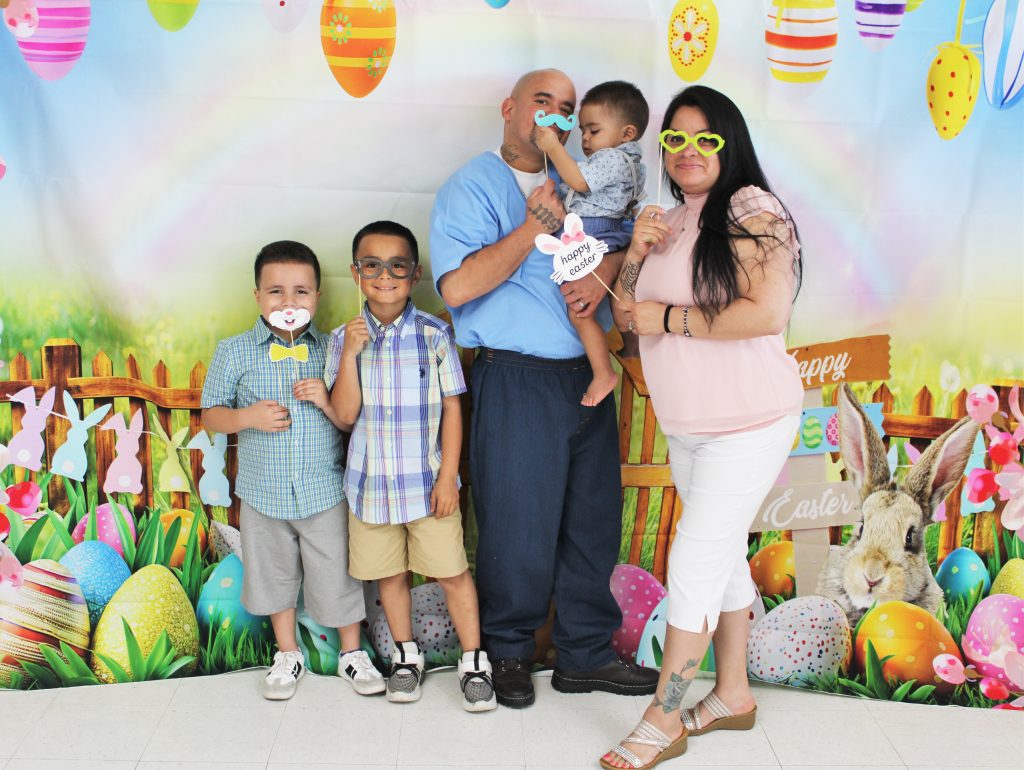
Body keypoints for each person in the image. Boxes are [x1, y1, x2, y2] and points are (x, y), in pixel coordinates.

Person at [429, 68, 659, 708]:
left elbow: (613, 242)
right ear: (509, 109)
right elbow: (456, 288)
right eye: (542, 103)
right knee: (516, 522)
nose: (556, 117)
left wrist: (608, 267)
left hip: (587, 372)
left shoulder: (585, 174)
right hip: (517, 374)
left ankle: (585, 655)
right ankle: (507, 652)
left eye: (567, 107)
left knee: (592, 521)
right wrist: (533, 227)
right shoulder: (471, 186)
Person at [601, 85, 804, 769]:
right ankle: (734, 695)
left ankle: (666, 715)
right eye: (676, 140)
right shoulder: (673, 216)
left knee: (693, 559)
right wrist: (635, 249)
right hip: (688, 424)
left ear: (730, 144)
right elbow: (625, 313)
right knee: (717, 560)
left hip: (748, 422)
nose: (688, 152)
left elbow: (766, 313)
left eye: (705, 139)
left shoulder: (751, 208)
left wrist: (669, 319)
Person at [325, 220, 497, 712]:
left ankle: (473, 660)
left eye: (397, 265)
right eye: (372, 265)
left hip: (427, 486)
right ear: (355, 272)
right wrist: (352, 354)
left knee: (452, 572)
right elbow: (345, 414)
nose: (385, 276)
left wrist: (448, 476)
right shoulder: (343, 339)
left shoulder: (434, 334)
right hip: (370, 487)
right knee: (389, 576)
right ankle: (406, 656)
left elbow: (453, 408)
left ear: (414, 272)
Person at [200, 240, 383, 701]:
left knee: (337, 572)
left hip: (323, 489)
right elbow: (210, 416)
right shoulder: (235, 351)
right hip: (263, 492)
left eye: (301, 292)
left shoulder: (333, 348)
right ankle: (287, 653)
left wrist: (325, 396)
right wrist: (247, 418)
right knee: (273, 574)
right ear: (258, 296)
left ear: (318, 296)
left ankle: (350, 652)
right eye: (276, 291)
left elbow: (347, 418)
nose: (288, 302)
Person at [534, 80, 648, 406]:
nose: (584, 139)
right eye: (583, 130)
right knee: (617, 298)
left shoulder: (611, 158)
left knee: (579, 312)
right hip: (607, 230)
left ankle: (603, 372)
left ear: (626, 133)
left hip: (595, 233)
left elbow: (580, 180)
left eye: (593, 130)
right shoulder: (627, 160)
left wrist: (552, 146)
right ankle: (632, 347)